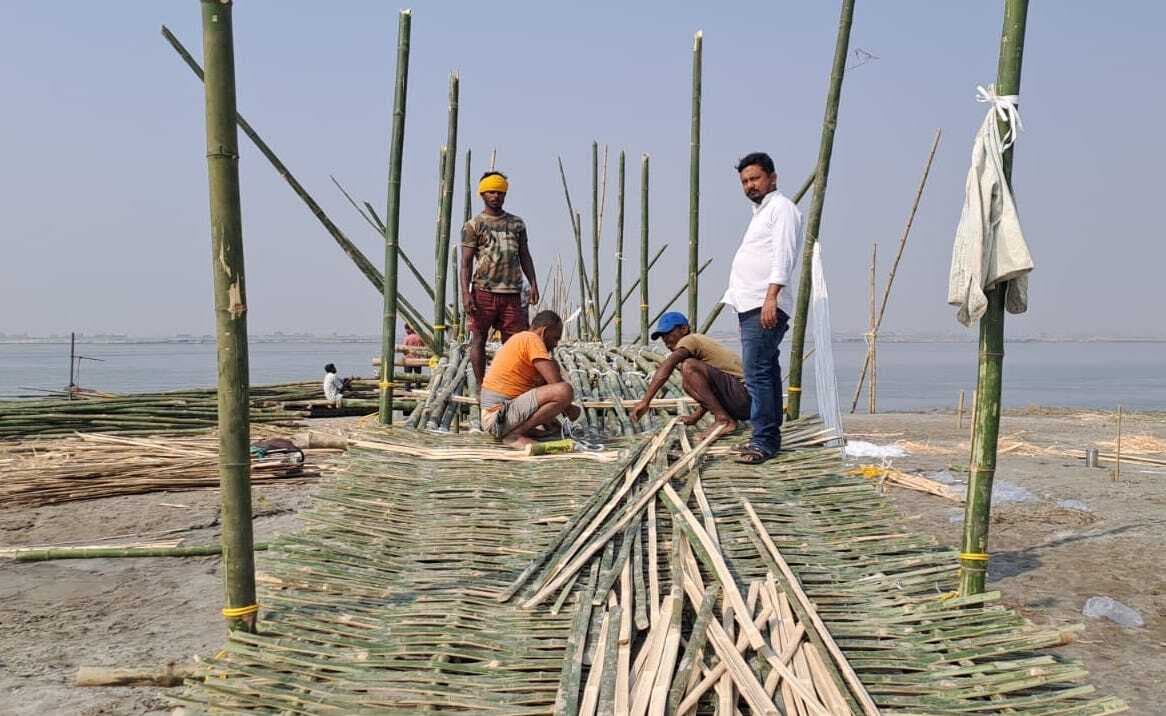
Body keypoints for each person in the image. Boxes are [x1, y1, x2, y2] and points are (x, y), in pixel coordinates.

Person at [720, 152, 804, 465]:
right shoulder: (762, 212)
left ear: (772, 178)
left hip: (763, 303)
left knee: (757, 373)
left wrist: (771, 297)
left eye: (755, 178)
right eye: (745, 181)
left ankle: (764, 441)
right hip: (751, 303)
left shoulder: (781, 209)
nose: (750, 185)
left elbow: (784, 255)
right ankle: (766, 437)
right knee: (765, 370)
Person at [460, 171, 541, 386]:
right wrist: (466, 293)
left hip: (512, 293)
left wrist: (532, 283)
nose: (496, 196)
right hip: (483, 291)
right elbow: (466, 263)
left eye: (500, 192)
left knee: (515, 342)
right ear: (483, 194)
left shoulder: (517, 224)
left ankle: (510, 383)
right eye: (491, 192)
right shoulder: (473, 225)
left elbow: (525, 255)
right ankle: (481, 385)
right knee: (478, 339)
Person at [629, 312, 750, 439]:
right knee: (687, 383)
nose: (666, 341)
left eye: (669, 334)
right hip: (740, 400)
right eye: (663, 337)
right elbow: (710, 391)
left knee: (688, 367)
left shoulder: (690, 340)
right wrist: (695, 417)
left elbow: (668, 364)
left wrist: (645, 401)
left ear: (684, 329)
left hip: (745, 396)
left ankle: (723, 420)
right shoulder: (696, 350)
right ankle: (724, 418)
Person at [479, 310, 581, 448]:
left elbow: (544, 385)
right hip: (498, 417)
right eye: (555, 338)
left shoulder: (521, 339)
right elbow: (556, 384)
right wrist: (570, 409)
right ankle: (515, 434)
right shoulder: (531, 339)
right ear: (545, 331)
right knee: (565, 391)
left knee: (553, 368)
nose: (556, 344)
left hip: (500, 416)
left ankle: (522, 430)